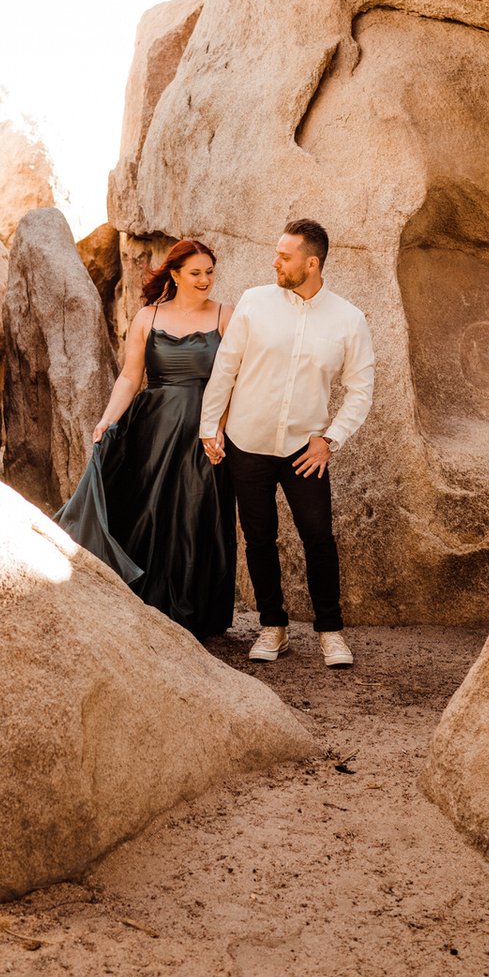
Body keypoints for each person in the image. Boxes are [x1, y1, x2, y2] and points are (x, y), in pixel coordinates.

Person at [200, 219, 374, 668]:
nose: (274, 261)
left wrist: (330, 440)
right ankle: (272, 626)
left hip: (305, 450)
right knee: (259, 538)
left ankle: (330, 631)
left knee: (318, 538)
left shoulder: (348, 320)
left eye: (285, 255)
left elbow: (360, 389)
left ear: (312, 263)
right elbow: (226, 368)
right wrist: (209, 427)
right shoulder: (254, 303)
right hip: (247, 442)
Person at [56, 238, 237, 640]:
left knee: (196, 515)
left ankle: (195, 616)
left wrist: (218, 426)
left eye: (209, 271)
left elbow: (233, 379)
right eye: (196, 272)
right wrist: (107, 420)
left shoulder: (227, 315)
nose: (205, 279)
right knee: (148, 513)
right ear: (175, 274)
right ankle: (147, 606)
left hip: (204, 431)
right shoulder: (147, 318)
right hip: (153, 429)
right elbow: (130, 377)